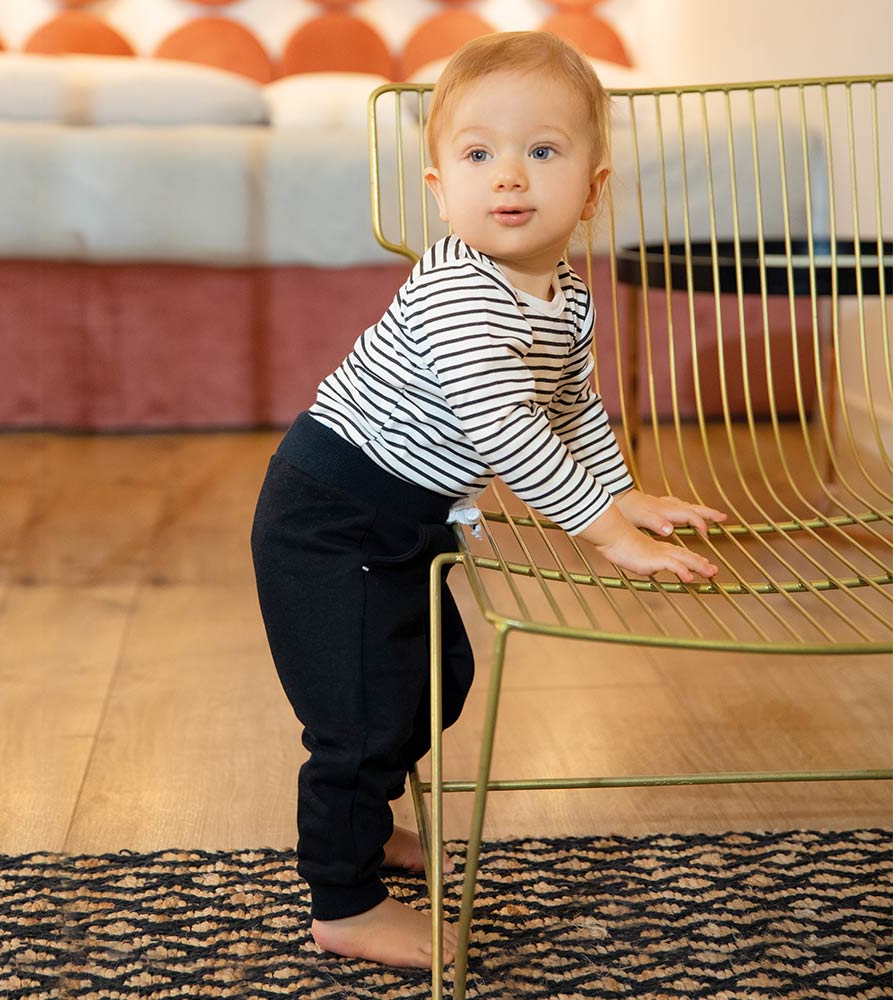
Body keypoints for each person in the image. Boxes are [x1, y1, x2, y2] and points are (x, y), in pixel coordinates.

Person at [251, 30, 726, 971]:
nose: (508, 175)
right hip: (332, 515)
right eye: (478, 155)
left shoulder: (566, 295)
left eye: (542, 151)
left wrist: (623, 496)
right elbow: (509, 432)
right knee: (358, 716)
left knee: (436, 682)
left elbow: (571, 408)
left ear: (593, 189)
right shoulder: (459, 295)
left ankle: (368, 823)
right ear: (439, 188)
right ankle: (343, 902)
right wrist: (605, 535)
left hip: (407, 521)